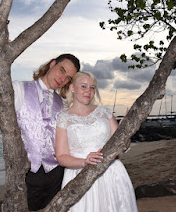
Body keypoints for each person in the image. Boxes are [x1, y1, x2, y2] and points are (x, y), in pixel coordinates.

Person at [0, 54, 80, 211]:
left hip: (56, 173)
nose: (63, 79)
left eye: (68, 78)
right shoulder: (20, 89)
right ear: (52, 64)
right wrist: (1, 59)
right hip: (28, 174)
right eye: (61, 70)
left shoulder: (63, 103)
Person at [55, 71, 138, 212]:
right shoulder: (63, 118)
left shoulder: (105, 113)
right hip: (80, 176)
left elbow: (122, 147)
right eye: (84, 86)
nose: (88, 91)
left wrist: (126, 132)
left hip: (111, 173)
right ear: (72, 88)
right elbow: (61, 157)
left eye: (92, 88)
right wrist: (84, 162)